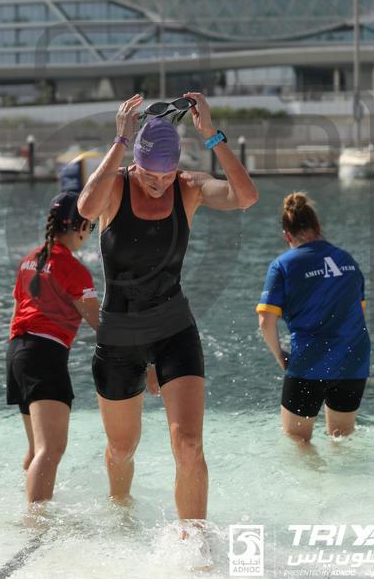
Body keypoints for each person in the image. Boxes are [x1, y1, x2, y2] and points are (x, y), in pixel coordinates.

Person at [77, 92, 258, 529]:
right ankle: (121, 512)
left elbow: (245, 196)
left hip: (174, 327)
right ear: (135, 163)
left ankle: (193, 542)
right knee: (123, 448)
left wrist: (211, 134)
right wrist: (120, 140)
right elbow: (85, 208)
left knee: (189, 445)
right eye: (149, 175)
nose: (159, 184)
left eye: (167, 174)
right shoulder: (116, 186)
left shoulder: (189, 188)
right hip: (120, 335)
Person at [6, 191, 100, 503]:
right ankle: (35, 523)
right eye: (91, 226)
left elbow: (17, 312)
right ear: (81, 226)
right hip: (45, 355)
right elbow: (99, 324)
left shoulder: (29, 260)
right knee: (51, 450)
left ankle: (28, 511)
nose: (90, 233)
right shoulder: (72, 269)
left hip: (17, 353)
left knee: (37, 449)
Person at [256, 191, 370, 445]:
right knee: (342, 443)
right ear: (318, 228)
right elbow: (358, 313)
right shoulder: (347, 260)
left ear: (286, 236)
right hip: (354, 361)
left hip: (310, 361)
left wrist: (281, 356)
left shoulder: (283, 265)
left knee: (297, 443)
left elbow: (265, 320)